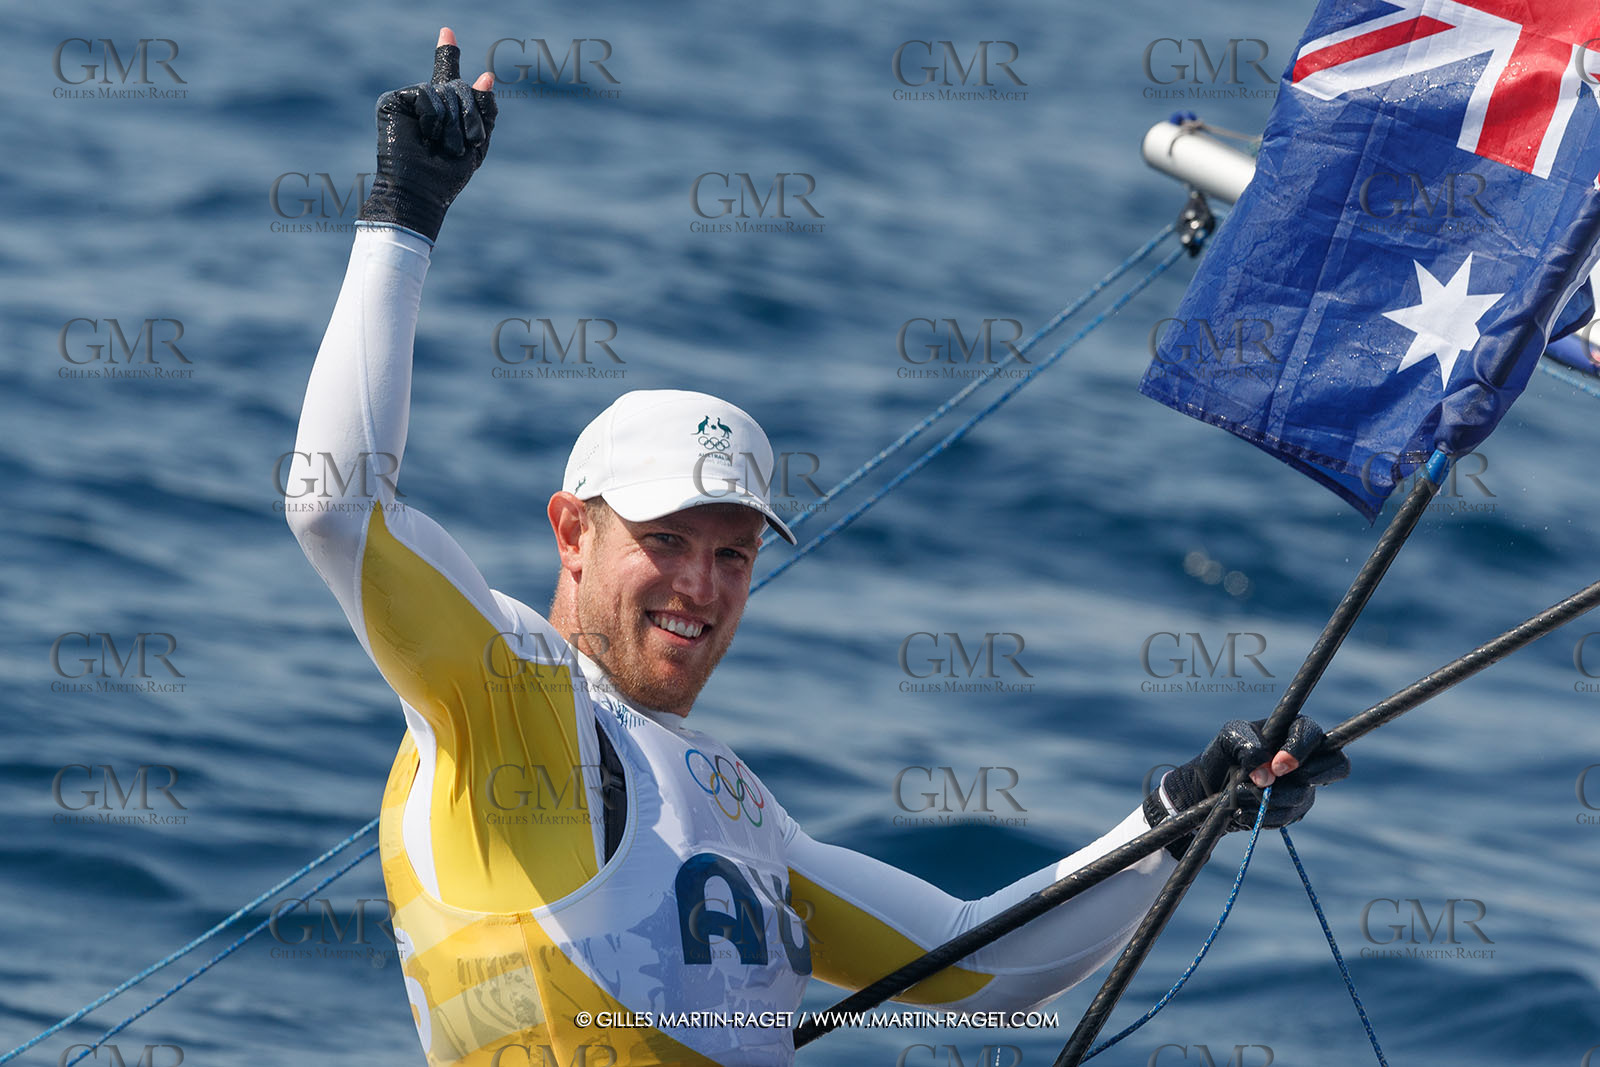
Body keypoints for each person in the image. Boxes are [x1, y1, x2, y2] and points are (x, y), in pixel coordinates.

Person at [286, 29, 1351, 1067]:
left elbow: (978, 967)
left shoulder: (742, 813)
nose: (699, 586)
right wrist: (402, 216)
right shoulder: (511, 697)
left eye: (735, 553)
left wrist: (1182, 812)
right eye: (664, 539)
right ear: (572, 530)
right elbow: (337, 511)